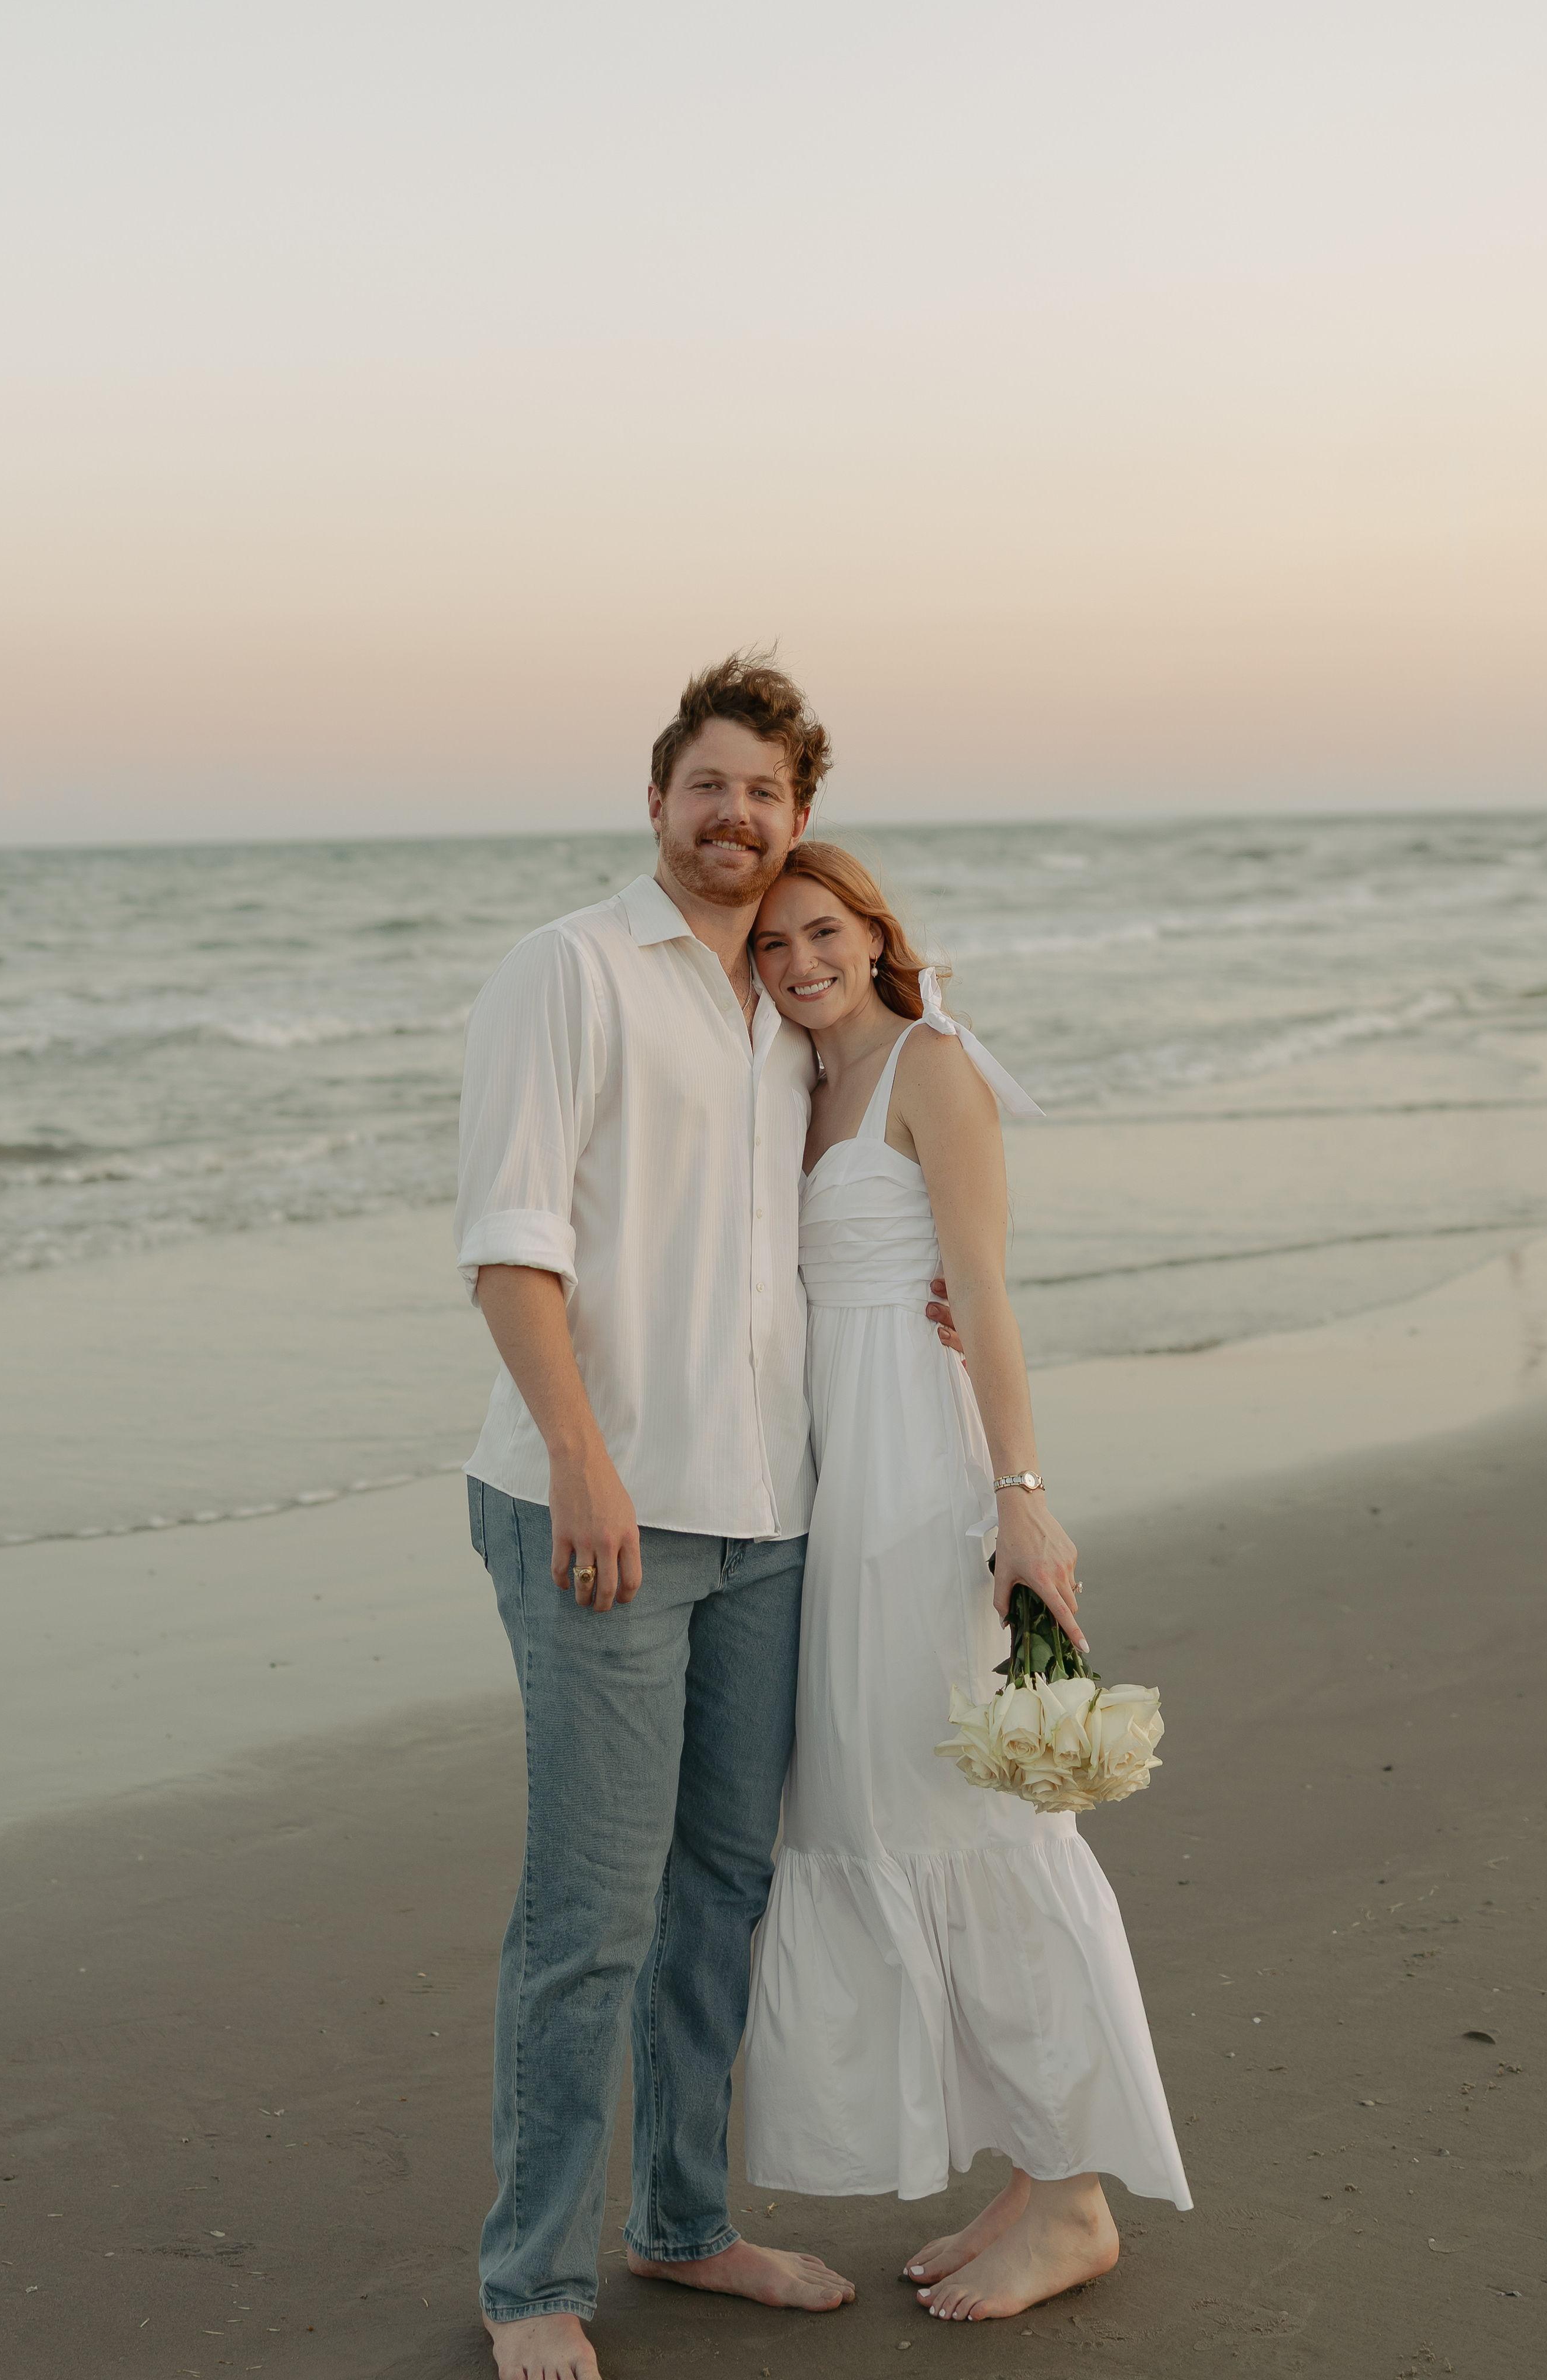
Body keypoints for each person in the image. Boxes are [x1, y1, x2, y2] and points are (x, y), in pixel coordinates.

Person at [454, 652, 860, 2380]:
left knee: (723, 1891)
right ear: (657, 797)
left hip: (767, 1507)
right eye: (710, 786)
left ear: (798, 820)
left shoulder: (791, 996)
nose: (736, 818)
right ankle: (529, 2278)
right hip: (599, 1504)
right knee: (593, 1910)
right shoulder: (571, 971)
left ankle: (683, 2226)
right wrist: (583, 1461)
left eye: (766, 795)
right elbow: (511, 1241)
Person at [739, 840, 1192, 2321]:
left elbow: (984, 1287)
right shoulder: (798, 1085)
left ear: (872, 930)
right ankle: (1028, 2165)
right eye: (770, 944)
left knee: (967, 1812)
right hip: (829, 1477)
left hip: (920, 1474)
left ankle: (1072, 2203)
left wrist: (1020, 1500)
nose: (797, 959)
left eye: (820, 929)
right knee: (881, 1805)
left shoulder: (932, 1065)